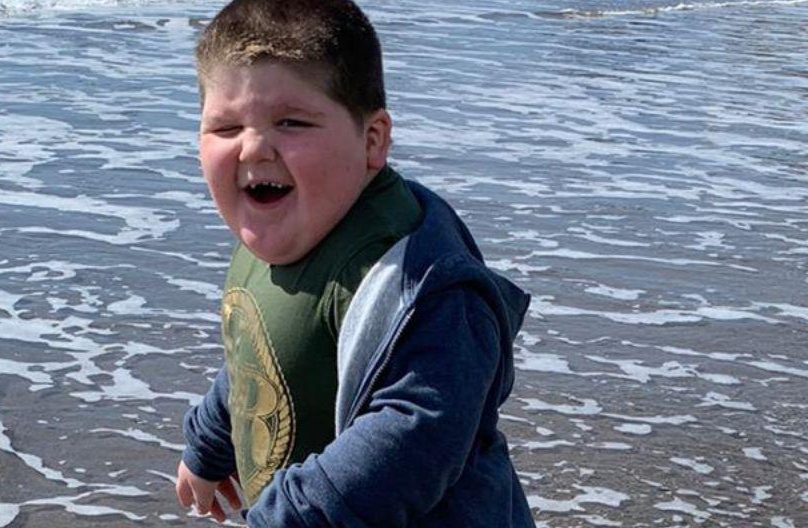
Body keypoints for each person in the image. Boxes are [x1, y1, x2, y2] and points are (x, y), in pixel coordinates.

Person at [171, 1, 536, 526]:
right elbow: (260, 352)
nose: (252, 148)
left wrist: (286, 516)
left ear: (372, 140)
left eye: (291, 122)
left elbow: (412, 437)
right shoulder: (287, 224)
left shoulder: (420, 283)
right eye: (225, 128)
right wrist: (209, 439)